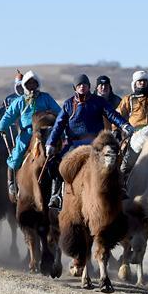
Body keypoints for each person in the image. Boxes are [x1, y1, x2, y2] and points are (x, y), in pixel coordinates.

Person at [45, 74, 132, 209]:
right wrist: (50, 143)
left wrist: (124, 125)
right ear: (75, 88)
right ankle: (56, 194)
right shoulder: (68, 104)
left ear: (89, 87)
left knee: (114, 158)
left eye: (85, 85)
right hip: (74, 144)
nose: (82, 87)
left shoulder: (99, 101)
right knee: (56, 162)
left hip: (96, 144)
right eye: (79, 85)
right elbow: (58, 125)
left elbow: (112, 114)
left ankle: (120, 187)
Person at [0, 70, 61, 199]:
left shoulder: (45, 97)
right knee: (17, 154)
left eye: (34, 83)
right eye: (29, 83)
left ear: (37, 84)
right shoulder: (20, 101)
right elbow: (9, 115)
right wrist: (1, 127)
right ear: (25, 85)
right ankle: (12, 182)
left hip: (45, 132)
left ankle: (57, 189)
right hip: (28, 133)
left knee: (57, 155)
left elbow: (59, 112)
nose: (32, 85)